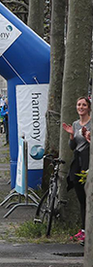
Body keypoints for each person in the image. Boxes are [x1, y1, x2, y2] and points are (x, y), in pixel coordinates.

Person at [62, 96, 91, 244]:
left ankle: (88, 231)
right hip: (77, 162)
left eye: (84, 105)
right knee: (81, 198)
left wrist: (89, 138)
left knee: (89, 197)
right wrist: (72, 135)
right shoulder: (75, 123)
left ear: (89, 108)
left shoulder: (91, 123)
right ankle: (84, 230)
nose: (81, 107)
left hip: (88, 163)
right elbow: (72, 147)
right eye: (79, 104)